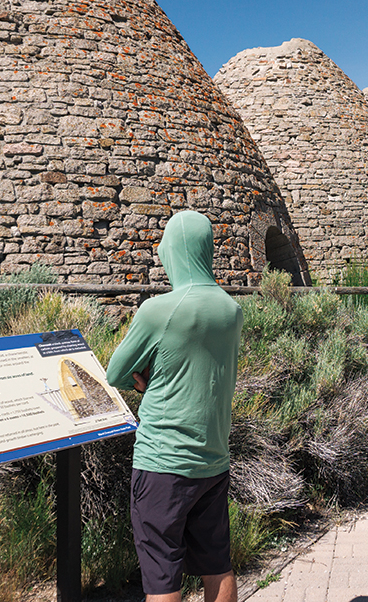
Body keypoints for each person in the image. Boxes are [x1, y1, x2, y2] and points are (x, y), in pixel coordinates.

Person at [105, 210, 242, 602]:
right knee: (217, 565)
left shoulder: (159, 310)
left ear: (173, 252)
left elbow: (116, 372)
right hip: (213, 460)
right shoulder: (231, 310)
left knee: (163, 576)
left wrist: (144, 377)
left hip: (163, 463)